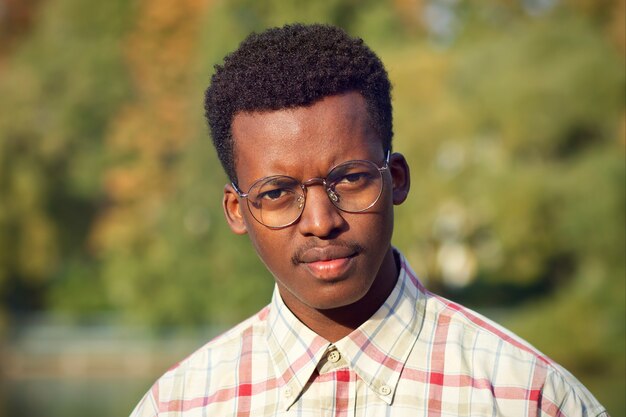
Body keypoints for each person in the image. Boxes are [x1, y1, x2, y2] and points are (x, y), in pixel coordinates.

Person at [130, 23, 607, 417]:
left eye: (352, 179)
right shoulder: (180, 405)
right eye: (276, 193)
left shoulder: (527, 397)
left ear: (396, 179)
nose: (321, 221)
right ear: (238, 211)